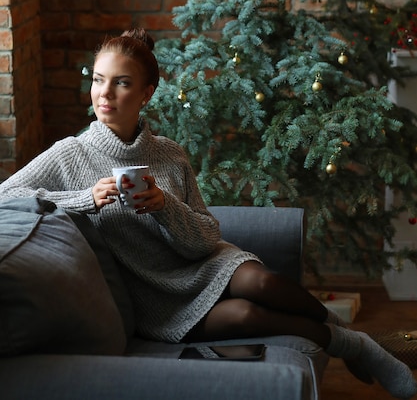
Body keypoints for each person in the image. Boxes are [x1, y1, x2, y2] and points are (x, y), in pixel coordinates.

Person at [0, 27, 416, 400]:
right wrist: (84, 199)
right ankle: (354, 344)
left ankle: (358, 344)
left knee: (264, 282)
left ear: (146, 94)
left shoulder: (169, 154)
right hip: (155, 298)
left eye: (122, 83)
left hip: (202, 264)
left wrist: (166, 207)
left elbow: (205, 235)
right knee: (248, 314)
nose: (104, 94)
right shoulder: (69, 154)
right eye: (98, 80)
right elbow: (6, 195)